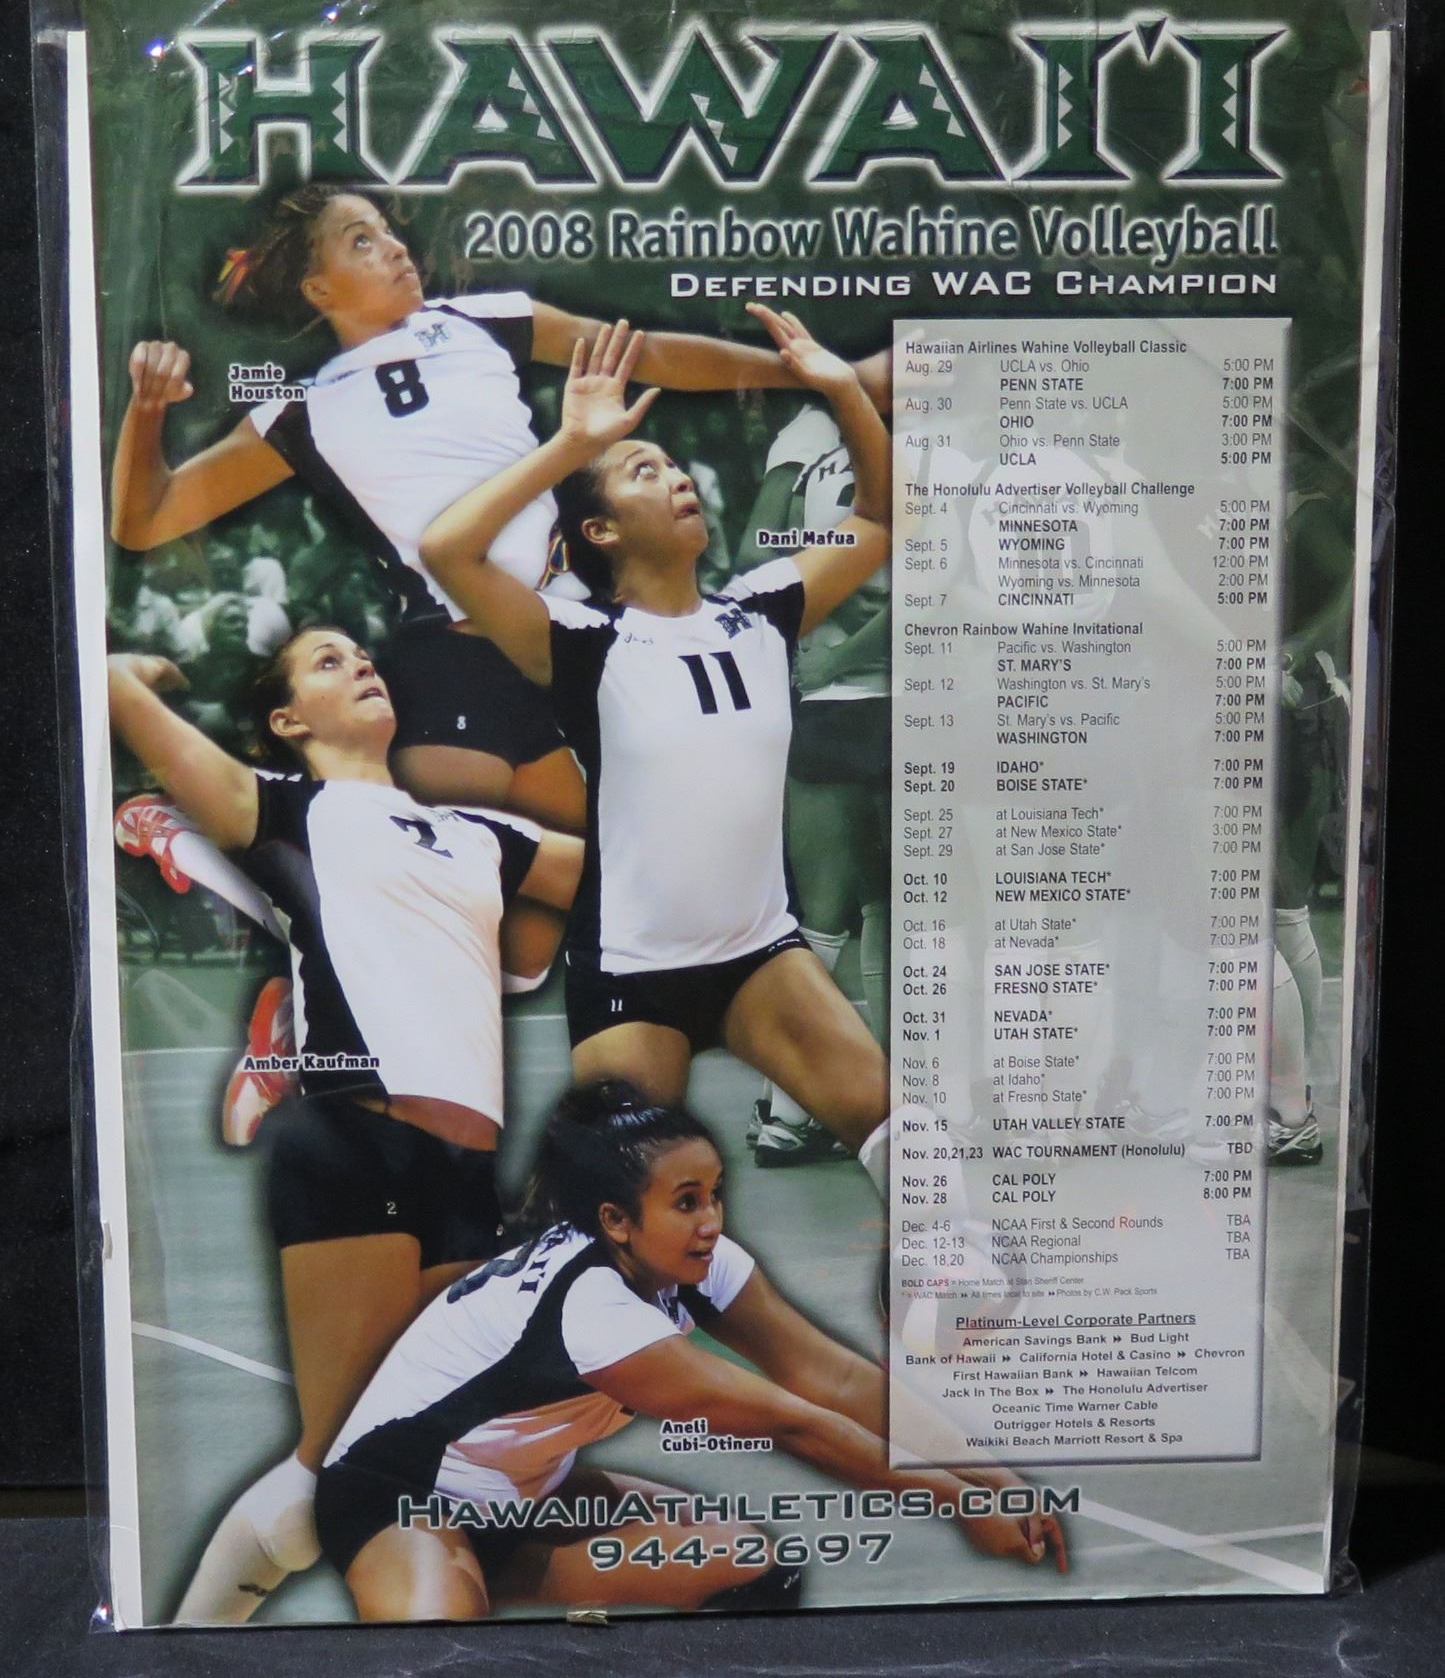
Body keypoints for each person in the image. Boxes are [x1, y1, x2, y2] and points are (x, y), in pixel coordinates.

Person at [111, 183, 855, 831]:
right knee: (480, 889)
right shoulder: (298, 412)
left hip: (575, 634)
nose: (394, 247)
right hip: (457, 655)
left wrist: (814, 376)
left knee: (621, 873)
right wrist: (146, 412)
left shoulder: (484, 321)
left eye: (388, 231)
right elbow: (144, 521)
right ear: (319, 291)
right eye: (361, 240)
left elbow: (651, 355)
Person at [107, 630, 582, 1624]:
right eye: (327, 663)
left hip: (466, 1169)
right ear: (287, 721)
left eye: (363, 654)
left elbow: (628, 874)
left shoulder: (477, 834)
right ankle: (187, 1645)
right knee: (346, 1463)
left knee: (417, 1455)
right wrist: (133, 680)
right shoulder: (284, 803)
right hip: (356, 1144)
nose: (360, 663)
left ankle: (197, 1640)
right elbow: (123, 702)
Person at [418, 310, 897, 1195]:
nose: (678, 478)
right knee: (618, 1216)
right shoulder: (579, 637)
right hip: (633, 970)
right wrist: (572, 445)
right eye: (645, 470)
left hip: (762, 957)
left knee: (918, 1161)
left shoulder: (765, 608)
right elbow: (447, 549)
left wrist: (841, 390)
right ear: (601, 531)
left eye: (675, 467)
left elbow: (879, 514)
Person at [315, 1081, 1067, 1621]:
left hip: (530, 1499)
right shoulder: (593, 1310)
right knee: (442, 1646)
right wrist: (960, 1501)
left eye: (714, 1193)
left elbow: (831, 1376)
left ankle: (495, 1585)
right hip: (399, 1501)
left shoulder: (693, 1259)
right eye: (685, 1202)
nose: (710, 1220)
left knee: (750, 1571)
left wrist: (995, 1477)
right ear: (617, 1220)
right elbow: (794, 1423)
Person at [735, 383, 892, 1166]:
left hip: (825, 705)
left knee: (821, 917)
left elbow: (754, 557)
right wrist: (845, 642)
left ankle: (787, 1113)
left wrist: (819, 608)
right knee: (893, 910)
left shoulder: (814, 450)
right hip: (898, 702)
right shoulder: (920, 453)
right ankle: (890, 1106)